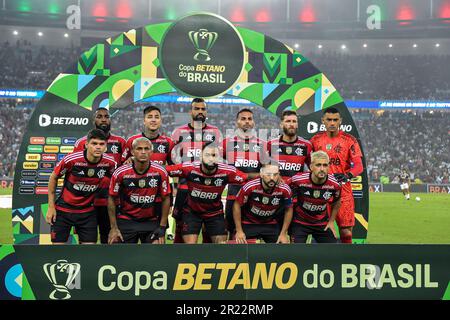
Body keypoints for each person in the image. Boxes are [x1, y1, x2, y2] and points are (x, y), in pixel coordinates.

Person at [46, 129, 117, 244]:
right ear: (86, 144)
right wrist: (51, 207)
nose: (98, 147)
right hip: (64, 210)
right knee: (57, 251)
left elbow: (114, 182)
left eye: (101, 144)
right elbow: (54, 177)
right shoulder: (72, 160)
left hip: (87, 212)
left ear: (105, 146)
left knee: (88, 253)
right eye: (94, 144)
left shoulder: (109, 163)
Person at [166, 143, 246, 244]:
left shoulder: (228, 171)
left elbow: (246, 179)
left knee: (221, 248)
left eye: (214, 155)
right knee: (190, 247)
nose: (211, 159)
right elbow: (164, 171)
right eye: (207, 155)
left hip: (215, 213)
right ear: (200, 156)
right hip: (192, 213)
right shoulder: (189, 168)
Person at [170, 98, 222, 243]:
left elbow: (219, 159)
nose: (200, 111)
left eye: (203, 109)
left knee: (209, 232)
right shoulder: (178, 132)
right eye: (196, 108)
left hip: (208, 189)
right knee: (180, 232)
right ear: (190, 111)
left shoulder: (215, 132)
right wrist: (174, 187)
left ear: (206, 112)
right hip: (185, 189)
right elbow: (172, 161)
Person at [121, 105, 175, 239]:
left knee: (156, 245)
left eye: (157, 117)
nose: (153, 120)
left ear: (161, 120)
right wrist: (129, 161)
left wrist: (159, 169)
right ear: (144, 120)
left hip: (157, 199)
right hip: (133, 197)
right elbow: (120, 166)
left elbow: (175, 168)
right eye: (150, 117)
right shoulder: (132, 141)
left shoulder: (168, 142)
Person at [310, 107, 363, 244]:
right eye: (329, 120)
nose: (332, 123)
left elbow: (359, 166)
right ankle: (320, 261)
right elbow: (307, 163)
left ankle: (347, 260)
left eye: (335, 120)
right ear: (323, 121)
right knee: (321, 230)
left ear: (340, 121)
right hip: (321, 191)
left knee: (346, 231)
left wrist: (347, 175)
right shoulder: (315, 140)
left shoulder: (349, 140)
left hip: (342, 191)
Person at [73, 107, 126, 244]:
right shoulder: (81, 143)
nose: (103, 119)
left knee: (110, 240)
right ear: (93, 120)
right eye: (99, 116)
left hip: (111, 201)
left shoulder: (120, 142)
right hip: (86, 202)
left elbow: (124, 169)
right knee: (86, 242)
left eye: (106, 116)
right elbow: (74, 169)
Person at [108, 137, 171, 244]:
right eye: (139, 149)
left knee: (157, 250)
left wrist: (162, 227)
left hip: (150, 221)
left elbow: (166, 199)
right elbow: (111, 198)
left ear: (151, 152)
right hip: (126, 219)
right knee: (118, 249)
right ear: (132, 152)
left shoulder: (160, 172)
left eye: (146, 149)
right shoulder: (120, 172)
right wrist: (114, 228)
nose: (143, 152)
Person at [222, 108, 267, 239]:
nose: (247, 122)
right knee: (232, 232)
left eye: (250, 119)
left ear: (253, 122)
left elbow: (266, 169)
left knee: (254, 233)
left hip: (255, 196)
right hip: (233, 195)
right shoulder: (227, 143)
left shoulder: (262, 144)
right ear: (237, 122)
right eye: (243, 119)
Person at [233, 162, 292, 244]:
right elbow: (236, 205)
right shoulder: (250, 187)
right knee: (239, 247)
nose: (272, 178)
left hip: (270, 223)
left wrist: (283, 234)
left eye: (275, 175)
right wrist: (239, 231)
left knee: (282, 248)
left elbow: (289, 209)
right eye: (268, 174)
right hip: (249, 223)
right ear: (261, 174)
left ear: (279, 175)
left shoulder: (285, 189)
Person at [289, 151, 341, 243]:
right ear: (311, 167)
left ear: (329, 167)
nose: (322, 169)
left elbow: (337, 202)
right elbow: (283, 192)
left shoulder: (335, 184)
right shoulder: (297, 180)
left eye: (325, 165)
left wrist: (331, 221)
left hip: (321, 223)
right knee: (296, 253)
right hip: (300, 223)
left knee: (333, 251)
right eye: (318, 165)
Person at [267, 110, 312, 181]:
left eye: (294, 121)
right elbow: (264, 167)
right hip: (277, 188)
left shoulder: (306, 145)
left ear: (297, 124)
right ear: (281, 124)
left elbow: (312, 168)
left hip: (297, 188)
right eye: (288, 121)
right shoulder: (271, 144)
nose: (291, 124)